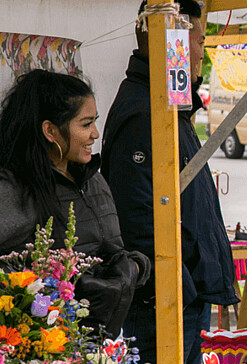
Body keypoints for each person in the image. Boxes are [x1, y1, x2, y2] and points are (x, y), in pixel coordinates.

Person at [102, 0, 238, 364]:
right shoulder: (144, 111)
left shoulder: (165, 105)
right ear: (171, 39)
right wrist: (182, 287)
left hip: (180, 296)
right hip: (162, 301)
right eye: (197, 40)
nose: (200, 52)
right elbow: (138, 216)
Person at [0, 70, 150, 335]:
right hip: (44, 353)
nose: (95, 133)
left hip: (100, 348)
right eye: (85, 124)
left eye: (95, 122)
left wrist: (135, 266)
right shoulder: (14, 189)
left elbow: (111, 248)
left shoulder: (94, 181)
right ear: (50, 131)